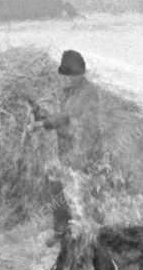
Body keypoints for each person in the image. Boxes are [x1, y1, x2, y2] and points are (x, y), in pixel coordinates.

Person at [31, 49, 95, 244]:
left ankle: (86, 234)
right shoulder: (68, 92)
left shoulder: (87, 93)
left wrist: (44, 124)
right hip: (68, 150)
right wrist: (41, 115)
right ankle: (62, 232)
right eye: (69, 76)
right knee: (57, 187)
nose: (70, 79)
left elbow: (67, 116)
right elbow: (60, 116)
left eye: (75, 76)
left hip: (84, 151)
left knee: (79, 191)